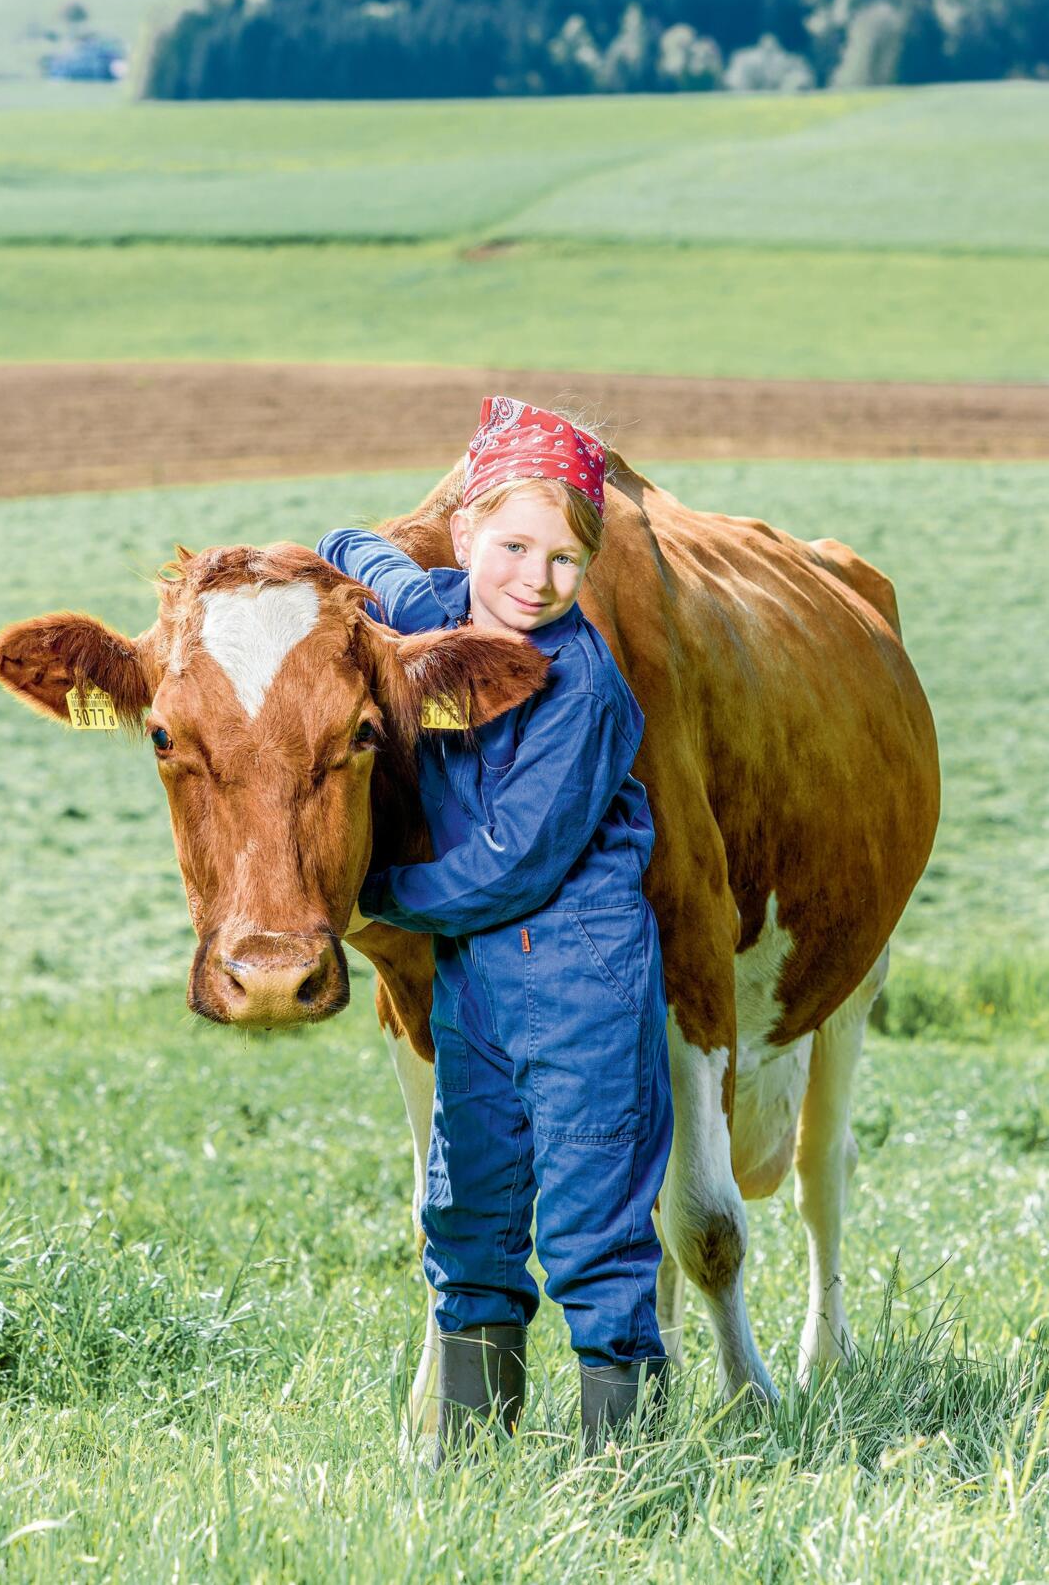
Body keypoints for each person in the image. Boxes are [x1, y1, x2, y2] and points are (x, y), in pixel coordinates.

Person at [317, 397, 672, 1461]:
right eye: (512, 546)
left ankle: (626, 1474)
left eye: (566, 561)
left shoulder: (582, 690)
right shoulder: (441, 606)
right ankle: (471, 1466)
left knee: (589, 1233)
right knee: (465, 1216)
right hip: (477, 986)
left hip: (583, 983)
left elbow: (509, 863)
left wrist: (368, 895)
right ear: (465, 534)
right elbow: (366, 558)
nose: (535, 579)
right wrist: (319, 557)